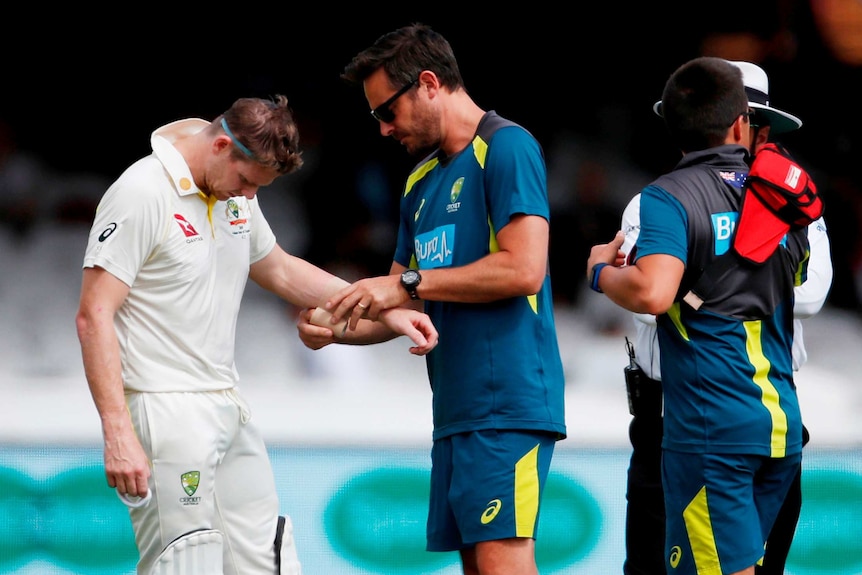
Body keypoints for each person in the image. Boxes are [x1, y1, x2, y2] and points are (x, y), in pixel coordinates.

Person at [75, 95, 438, 575]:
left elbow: (281, 270)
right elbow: (93, 315)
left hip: (227, 403)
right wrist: (117, 431)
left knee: (268, 560)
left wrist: (385, 308)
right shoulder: (142, 190)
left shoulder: (234, 194)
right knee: (185, 564)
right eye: (246, 182)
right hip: (163, 408)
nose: (247, 197)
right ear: (222, 144)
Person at [296, 23, 566, 575]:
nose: (383, 129)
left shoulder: (508, 146)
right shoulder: (419, 181)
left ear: (427, 83)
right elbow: (400, 308)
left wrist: (408, 285)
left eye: (385, 112)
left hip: (507, 402)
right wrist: (334, 326)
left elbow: (525, 268)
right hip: (457, 411)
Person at [587, 57, 810, 575]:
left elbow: (652, 293)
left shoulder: (667, 197)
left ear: (672, 126)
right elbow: (798, 280)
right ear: (742, 124)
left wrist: (599, 271)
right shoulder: (780, 195)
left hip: (712, 432)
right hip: (778, 424)